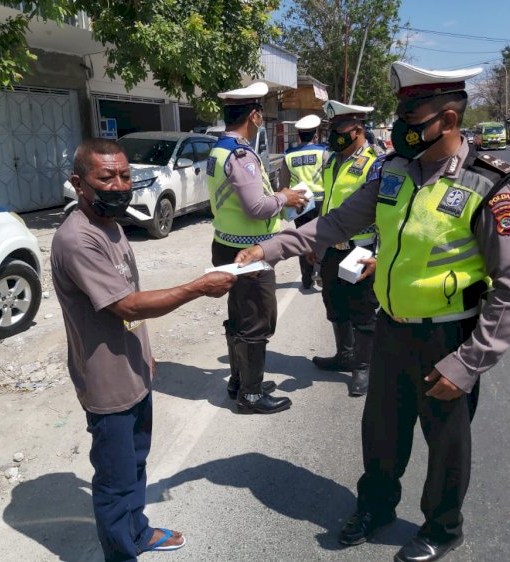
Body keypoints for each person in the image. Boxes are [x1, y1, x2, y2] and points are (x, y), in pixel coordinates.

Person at [235, 61, 510, 562]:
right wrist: (269, 249)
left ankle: (442, 526)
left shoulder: (487, 186)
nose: (400, 124)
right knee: (382, 433)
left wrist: (470, 363)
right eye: (400, 112)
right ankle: (376, 508)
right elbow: (333, 225)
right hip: (393, 329)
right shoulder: (392, 173)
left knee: (446, 444)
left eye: (412, 115)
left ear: (450, 121)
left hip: (449, 338)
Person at [51, 138, 236, 561]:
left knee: (136, 463)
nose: (119, 185)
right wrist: (197, 287)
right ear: (79, 184)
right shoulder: (77, 239)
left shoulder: (112, 225)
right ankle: (121, 552)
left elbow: (128, 294)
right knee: (115, 482)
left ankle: (138, 531)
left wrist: (144, 351)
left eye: (125, 175)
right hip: (106, 383)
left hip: (133, 370)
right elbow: (126, 304)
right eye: (106, 177)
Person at [206, 81, 307, 414]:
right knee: (256, 323)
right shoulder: (240, 154)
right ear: (253, 115)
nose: (262, 118)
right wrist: (286, 198)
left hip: (226, 245)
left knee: (239, 316)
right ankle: (250, 395)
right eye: (260, 112)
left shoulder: (218, 148)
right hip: (249, 253)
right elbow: (257, 208)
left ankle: (240, 381)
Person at [310, 100, 385, 397]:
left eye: (338, 129)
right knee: (334, 303)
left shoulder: (375, 164)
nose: (332, 135)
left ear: (357, 130)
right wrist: (316, 243)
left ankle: (363, 367)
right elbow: (327, 203)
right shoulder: (332, 161)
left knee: (363, 310)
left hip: (360, 250)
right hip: (332, 248)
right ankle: (344, 355)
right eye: (330, 129)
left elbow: (385, 215)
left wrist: (379, 254)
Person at [279, 114, 327, 288]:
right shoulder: (324, 152)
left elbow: (283, 185)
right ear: (315, 135)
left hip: (300, 203)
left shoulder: (288, 156)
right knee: (321, 238)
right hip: (321, 202)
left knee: (302, 239)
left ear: (299, 135)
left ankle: (306, 279)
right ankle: (320, 273)